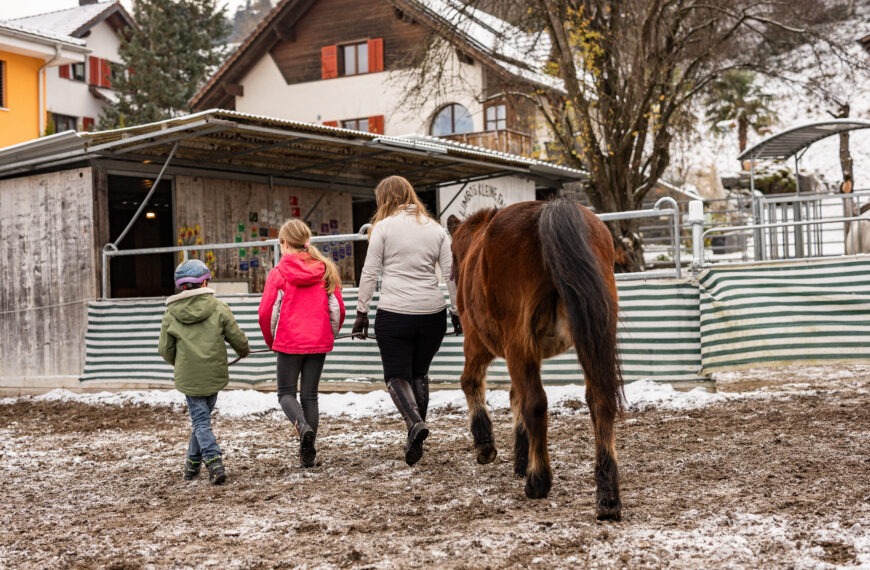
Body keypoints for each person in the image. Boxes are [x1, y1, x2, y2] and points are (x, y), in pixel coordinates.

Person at [352, 175, 461, 466]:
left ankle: (414, 424)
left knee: (396, 376)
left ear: (385, 199)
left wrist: (361, 312)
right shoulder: (436, 230)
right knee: (419, 373)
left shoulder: (382, 228)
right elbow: (451, 274)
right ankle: (417, 432)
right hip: (432, 314)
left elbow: (369, 272)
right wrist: (456, 310)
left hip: (395, 312)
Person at [258, 219, 346, 468]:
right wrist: (329, 334)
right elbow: (338, 308)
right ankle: (309, 453)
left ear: (285, 244)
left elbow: (266, 312)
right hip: (318, 342)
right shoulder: (325, 269)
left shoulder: (279, 273)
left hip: (288, 342)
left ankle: (302, 427)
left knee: (286, 394)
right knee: (310, 396)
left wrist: (270, 339)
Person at [158, 258, 250, 485]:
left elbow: (164, 349)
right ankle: (213, 459)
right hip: (213, 372)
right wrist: (244, 350)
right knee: (202, 419)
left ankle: (192, 464)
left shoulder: (171, 313)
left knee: (200, 420)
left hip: (189, 377)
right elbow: (236, 337)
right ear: (205, 282)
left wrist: (181, 363)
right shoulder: (219, 308)